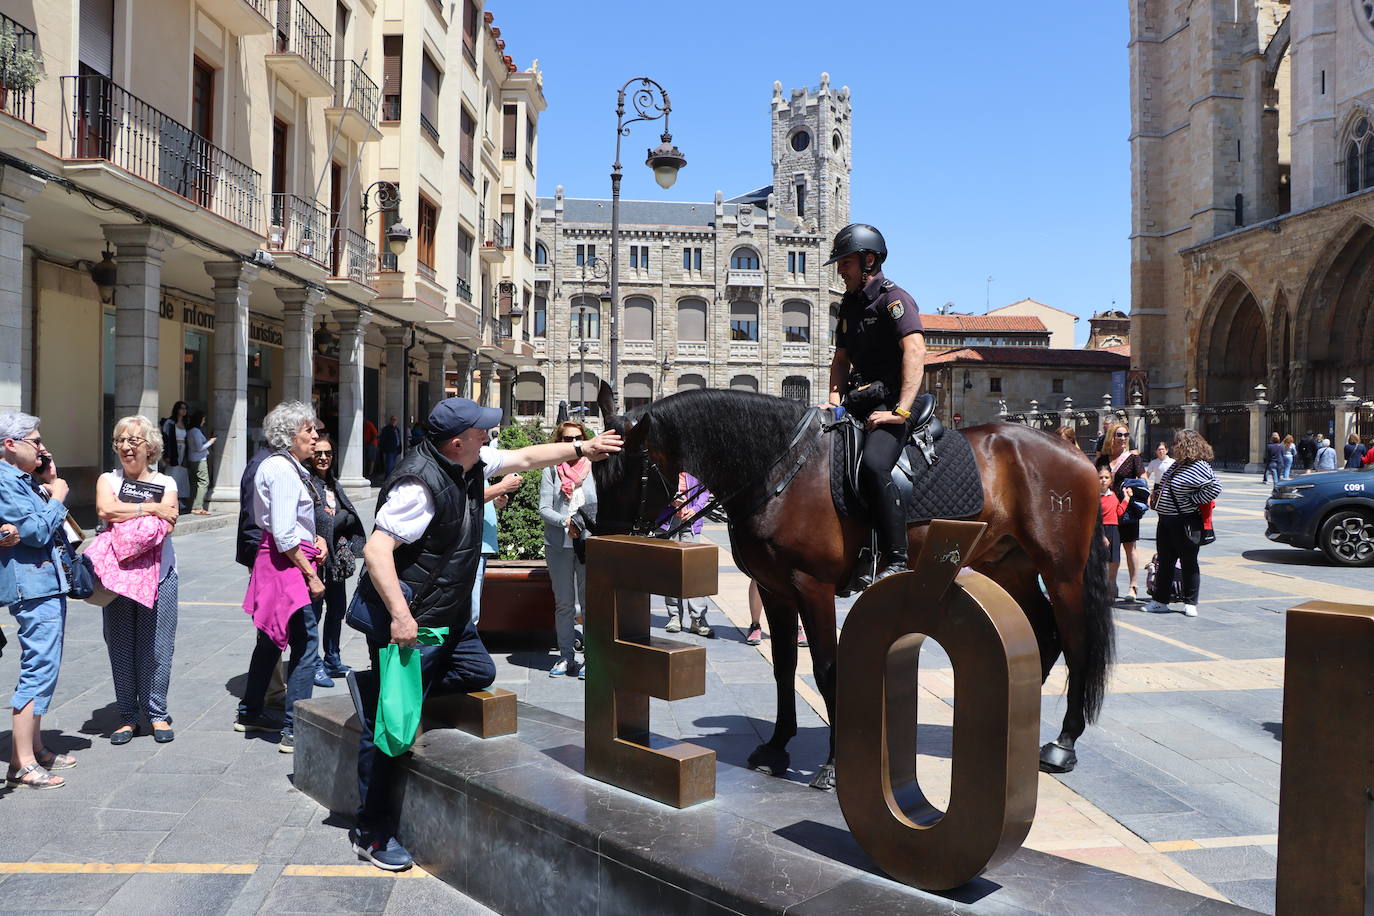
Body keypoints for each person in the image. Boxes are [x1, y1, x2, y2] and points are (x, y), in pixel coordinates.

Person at [351, 397, 623, 871]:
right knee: (393, 729)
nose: (490, 437)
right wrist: (399, 617)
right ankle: (371, 830)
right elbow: (376, 552)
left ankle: (380, 687)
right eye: (482, 432)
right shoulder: (419, 485)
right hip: (417, 623)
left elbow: (525, 458)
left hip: (450, 615)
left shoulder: (466, 461)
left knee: (479, 671)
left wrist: (584, 447)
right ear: (457, 442)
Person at [822, 223, 925, 584]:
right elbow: (840, 360)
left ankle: (897, 557)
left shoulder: (894, 300)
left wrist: (900, 412)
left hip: (894, 405)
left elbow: (914, 351)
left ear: (868, 260)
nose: (839, 270)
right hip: (858, 403)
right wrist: (832, 402)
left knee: (873, 466)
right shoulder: (848, 306)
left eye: (845, 262)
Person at [235, 401, 325, 754]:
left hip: (274, 560)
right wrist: (310, 574)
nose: (315, 436)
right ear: (290, 437)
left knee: (270, 641)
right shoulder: (284, 471)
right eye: (309, 430)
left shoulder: (276, 466)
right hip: (287, 563)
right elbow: (286, 534)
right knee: (305, 644)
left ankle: (250, 710)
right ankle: (294, 728)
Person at [92, 416, 181, 745]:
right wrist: (150, 507)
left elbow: (167, 523)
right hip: (116, 578)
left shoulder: (167, 482)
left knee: (158, 646)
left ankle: (157, 712)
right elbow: (104, 510)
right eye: (120, 441)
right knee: (120, 645)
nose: (127, 447)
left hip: (160, 575)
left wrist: (128, 510)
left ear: (151, 446)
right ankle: (128, 715)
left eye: (134, 440)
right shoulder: (108, 479)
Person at [0, 411, 75, 789]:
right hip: (32, 585)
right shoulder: (4, 481)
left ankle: (37, 746)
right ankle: (22, 761)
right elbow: (36, 530)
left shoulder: (23, 481)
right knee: (38, 665)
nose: (43, 448)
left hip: (46, 581)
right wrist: (58, 495)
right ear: (10, 445)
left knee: (46, 664)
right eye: (36, 441)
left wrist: (46, 485)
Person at [539, 420, 599, 678]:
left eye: (577, 437)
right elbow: (543, 508)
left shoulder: (595, 467)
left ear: (584, 439)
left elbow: (601, 503)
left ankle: (590, 659)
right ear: (559, 441)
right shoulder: (551, 469)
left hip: (587, 544)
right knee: (564, 604)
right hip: (559, 544)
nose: (573, 443)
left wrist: (583, 524)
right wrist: (566, 522)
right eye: (566, 439)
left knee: (589, 605)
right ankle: (566, 657)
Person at [1143, 429, 1221, 618]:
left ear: (1186, 445)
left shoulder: (1199, 466)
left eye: (1177, 443)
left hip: (1185, 521)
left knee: (1188, 562)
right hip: (1166, 520)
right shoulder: (1177, 465)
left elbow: (1215, 488)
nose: (1174, 447)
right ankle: (1160, 601)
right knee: (1165, 561)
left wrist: (1193, 499)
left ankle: (1190, 602)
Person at [307, 433, 366, 684]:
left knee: (336, 610)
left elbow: (348, 514)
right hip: (316, 557)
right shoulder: (307, 483)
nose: (323, 458)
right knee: (314, 613)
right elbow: (324, 519)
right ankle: (313, 663)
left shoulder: (332, 482)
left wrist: (339, 518)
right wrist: (339, 518)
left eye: (327, 453)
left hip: (336, 561)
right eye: (318, 453)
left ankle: (332, 659)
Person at [660, 471, 713, 639]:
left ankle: (698, 619)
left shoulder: (694, 464)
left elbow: (705, 490)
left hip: (691, 520)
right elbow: (656, 490)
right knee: (670, 570)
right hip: (669, 520)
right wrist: (670, 501)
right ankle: (674, 616)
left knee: (694, 571)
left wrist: (696, 509)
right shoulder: (665, 463)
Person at [1098, 423, 1145, 600]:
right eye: (1119, 435)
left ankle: (1133, 585)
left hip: (1127, 510)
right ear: (1112, 436)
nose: (1124, 438)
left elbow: (1143, 479)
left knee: (1130, 546)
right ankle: (1111, 584)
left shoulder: (1133, 458)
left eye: (1126, 435)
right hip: (1107, 510)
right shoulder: (1103, 459)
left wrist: (1134, 490)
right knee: (1111, 549)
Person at [1098, 463, 1128, 597]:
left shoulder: (1114, 495)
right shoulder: (1094, 497)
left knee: (1114, 558)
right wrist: (1101, 536)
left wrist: (1126, 499)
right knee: (1100, 560)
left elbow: (1119, 512)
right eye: (1100, 477)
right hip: (1100, 530)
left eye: (1106, 477)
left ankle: (1112, 583)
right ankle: (1101, 586)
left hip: (1114, 529)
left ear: (1111, 479)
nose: (1103, 480)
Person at [184, 410, 216, 515]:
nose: (204, 421)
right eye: (203, 419)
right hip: (199, 460)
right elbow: (200, 447)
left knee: (194, 483)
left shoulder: (189, 431)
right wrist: (211, 442)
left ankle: (191, 505)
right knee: (203, 482)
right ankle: (198, 506)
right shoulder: (196, 431)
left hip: (191, 459)